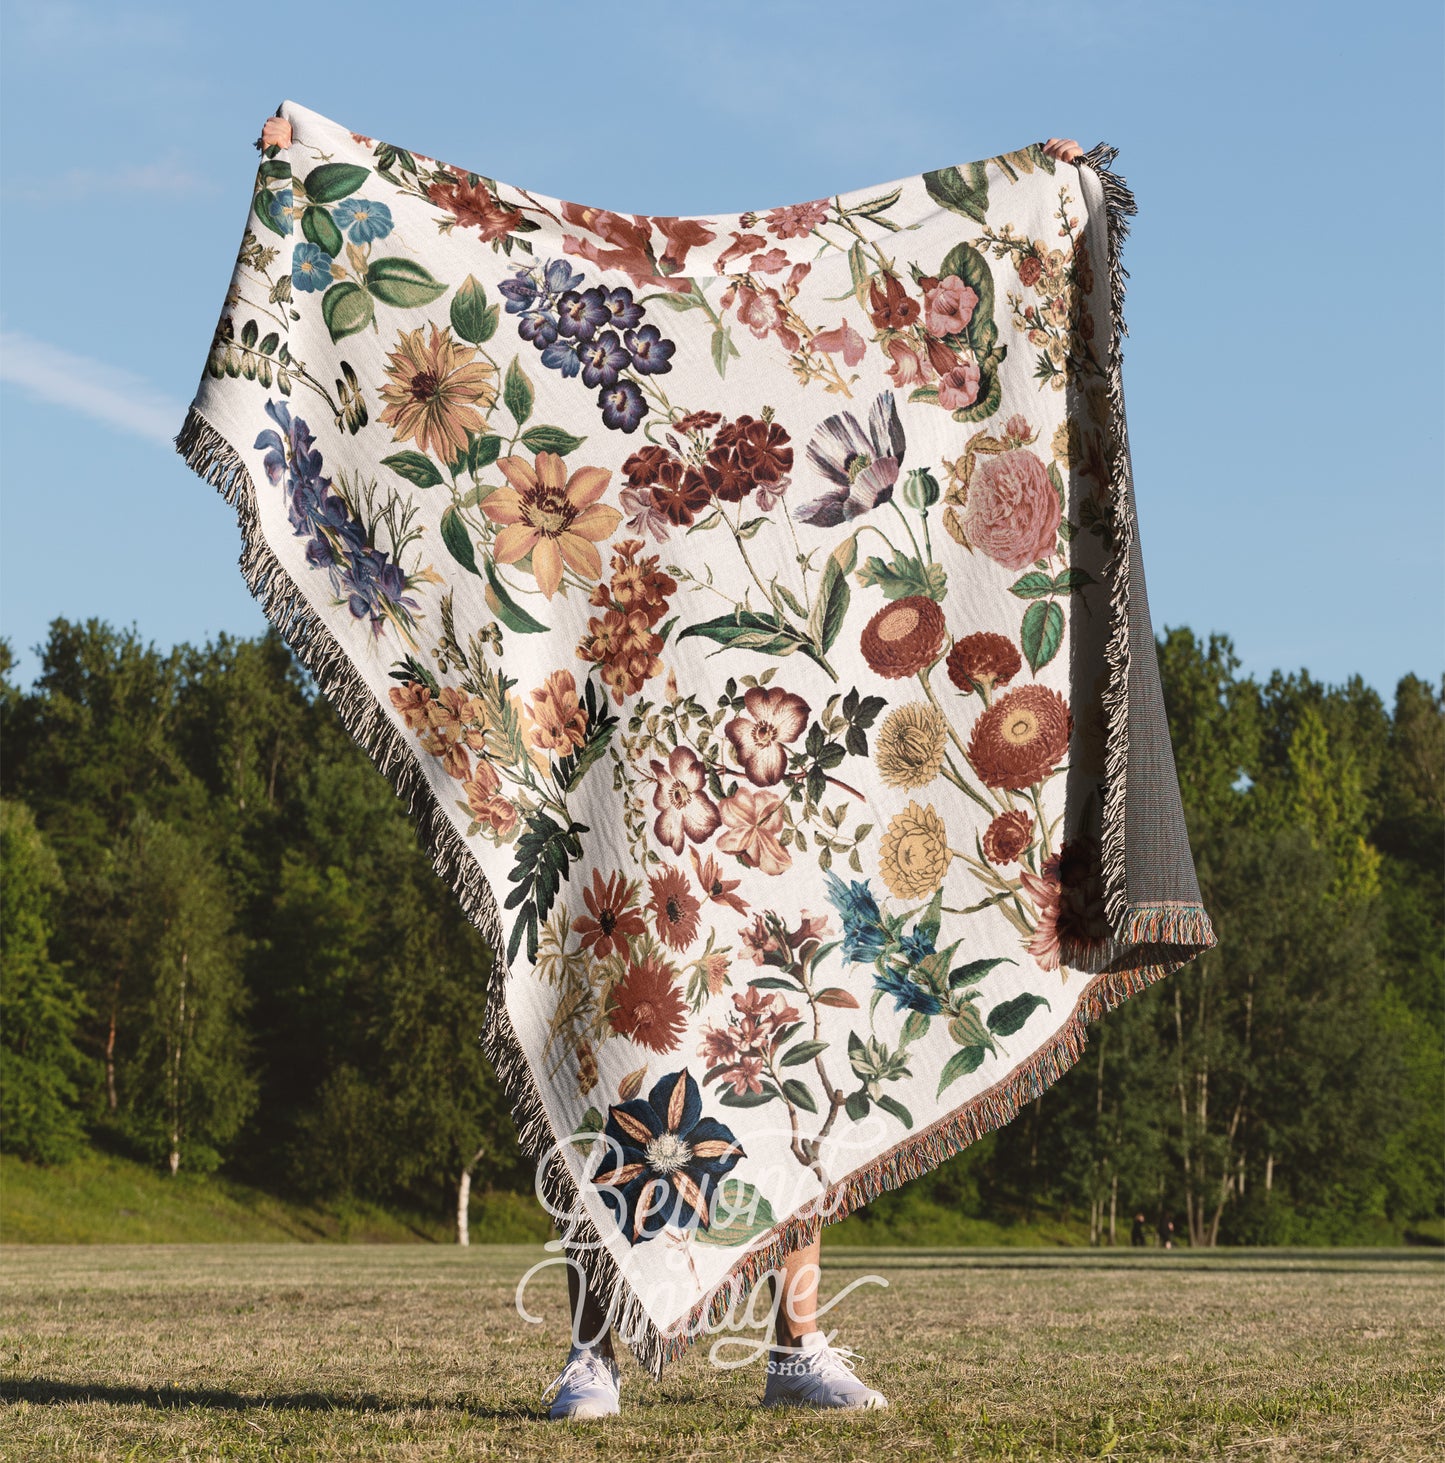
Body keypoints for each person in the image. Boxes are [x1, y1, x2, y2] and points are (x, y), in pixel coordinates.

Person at [257, 109, 1086, 1418]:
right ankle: (592, 1348)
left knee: (791, 1041)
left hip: (790, 769)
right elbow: (476, 303)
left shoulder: (813, 429)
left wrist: (1038, 193)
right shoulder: (592, 410)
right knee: (618, 1047)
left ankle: (795, 1344)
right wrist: (314, 162)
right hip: (624, 781)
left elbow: (905, 350)